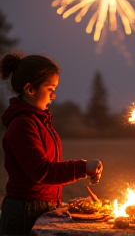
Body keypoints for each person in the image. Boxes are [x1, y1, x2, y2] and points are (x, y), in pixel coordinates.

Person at [0, 52, 103, 235]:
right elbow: (41, 171)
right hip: (25, 211)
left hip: (41, 207)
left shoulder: (40, 121)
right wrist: (82, 167)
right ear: (30, 89)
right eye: (50, 89)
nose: (54, 95)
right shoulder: (22, 125)